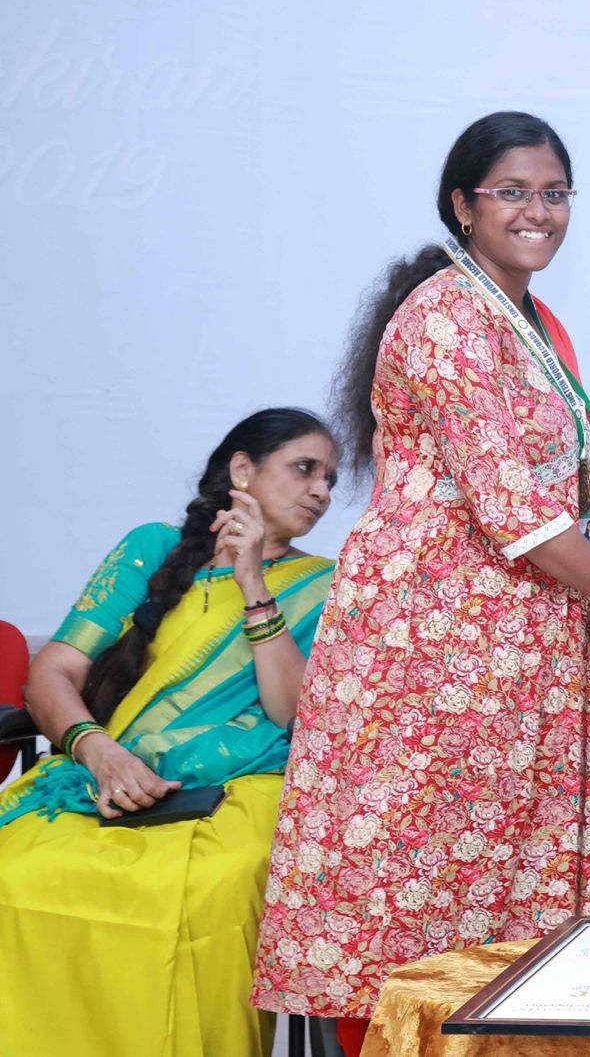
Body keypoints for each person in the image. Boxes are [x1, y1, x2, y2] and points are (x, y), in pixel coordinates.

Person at [249, 111, 590, 1055]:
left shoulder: (524, 317)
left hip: (504, 653)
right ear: (463, 205)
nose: (538, 211)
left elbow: (507, 480)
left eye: (554, 193)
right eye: (513, 192)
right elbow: (510, 510)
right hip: (433, 655)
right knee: (413, 894)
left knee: (489, 891)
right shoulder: (449, 320)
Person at [0, 408, 338, 1057]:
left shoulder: (326, 583)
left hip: (243, 789)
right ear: (243, 470)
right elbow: (52, 674)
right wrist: (97, 751)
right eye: (304, 468)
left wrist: (253, 584)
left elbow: (289, 710)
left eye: (329, 477)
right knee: (18, 870)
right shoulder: (152, 548)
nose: (321, 490)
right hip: (100, 776)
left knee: (209, 888)